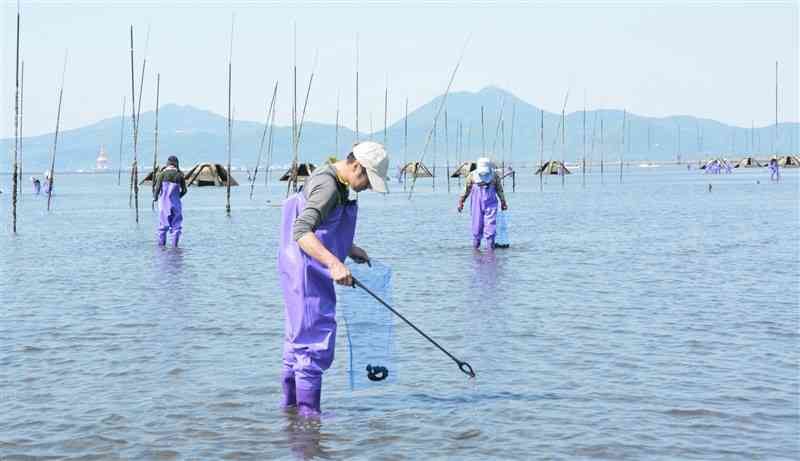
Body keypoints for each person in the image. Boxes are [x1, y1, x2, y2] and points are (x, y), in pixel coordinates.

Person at [278, 141, 389, 417]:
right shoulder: (328, 187)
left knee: (297, 342)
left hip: (299, 269)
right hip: (307, 271)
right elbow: (302, 230)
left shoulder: (336, 181)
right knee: (313, 343)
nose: (367, 187)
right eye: (368, 180)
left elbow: (324, 226)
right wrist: (334, 263)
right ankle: (309, 420)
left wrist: (349, 248)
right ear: (356, 166)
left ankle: (291, 416)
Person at [457, 157, 508, 249]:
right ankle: (476, 252)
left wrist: (503, 201)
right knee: (477, 227)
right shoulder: (472, 176)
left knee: (491, 227)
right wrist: (461, 201)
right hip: (477, 204)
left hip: (491, 204)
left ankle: (490, 253)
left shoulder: (494, 176)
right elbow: (466, 190)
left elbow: (499, 190)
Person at [154, 155, 187, 247]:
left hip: (164, 204)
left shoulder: (162, 174)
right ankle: (174, 248)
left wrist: (155, 197)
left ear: (167, 164)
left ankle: (161, 248)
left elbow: (157, 189)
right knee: (176, 227)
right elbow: (184, 191)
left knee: (163, 227)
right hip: (176, 204)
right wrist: (177, 197)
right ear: (177, 164)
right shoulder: (180, 175)